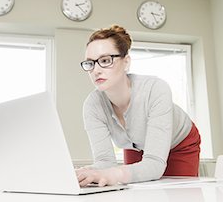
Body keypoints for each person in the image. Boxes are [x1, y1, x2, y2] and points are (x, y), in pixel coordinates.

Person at [76, 25, 201, 187]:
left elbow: (155, 164)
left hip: (179, 143)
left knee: (180, 197)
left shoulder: (156, 89)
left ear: (126, 62)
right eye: (90, 63)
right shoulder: (92, 105)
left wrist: (117, 173)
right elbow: (105, 162)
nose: (96, 70)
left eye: (105, 60)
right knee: (136, 198)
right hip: (135, 146)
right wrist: (85, 172)